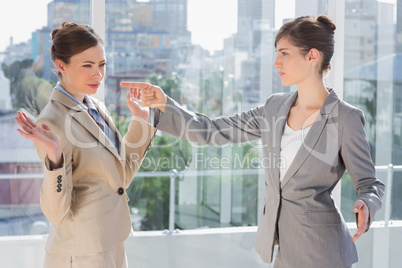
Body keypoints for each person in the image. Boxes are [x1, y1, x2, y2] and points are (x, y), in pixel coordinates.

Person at [121, 15, 385, 268]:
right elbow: (214, 130)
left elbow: (369, 183)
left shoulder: (346, 118)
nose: (276, 63)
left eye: (284, 53)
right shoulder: (274, 107)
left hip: (324, 252)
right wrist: (165, 104)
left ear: (312, 56)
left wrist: (366, 203)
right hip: (283, 250)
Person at [14, 22, 155, 268]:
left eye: (101, 65)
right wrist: (55, 158)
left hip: (112, 242)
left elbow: (119, 178)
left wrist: (141, 121)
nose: (97, 75)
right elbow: (56, 214)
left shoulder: (96, 108)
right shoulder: (52, 121)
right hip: (80, 254)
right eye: (87, 65)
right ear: (61, 66)